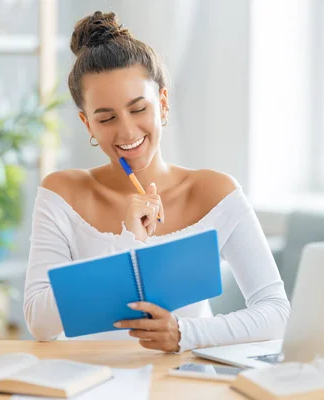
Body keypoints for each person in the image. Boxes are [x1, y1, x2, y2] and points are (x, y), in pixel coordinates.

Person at [24, 11, 290, 353]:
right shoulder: (62, 193)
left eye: (138, 110)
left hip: (186, 381)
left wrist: (185, 333)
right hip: (90, 381)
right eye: (106, 118)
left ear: (162, 104)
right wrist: (127, 242)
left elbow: (276, 312)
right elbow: (39, 322)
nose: (127, 131)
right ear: (87, 123)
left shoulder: (214, 193)